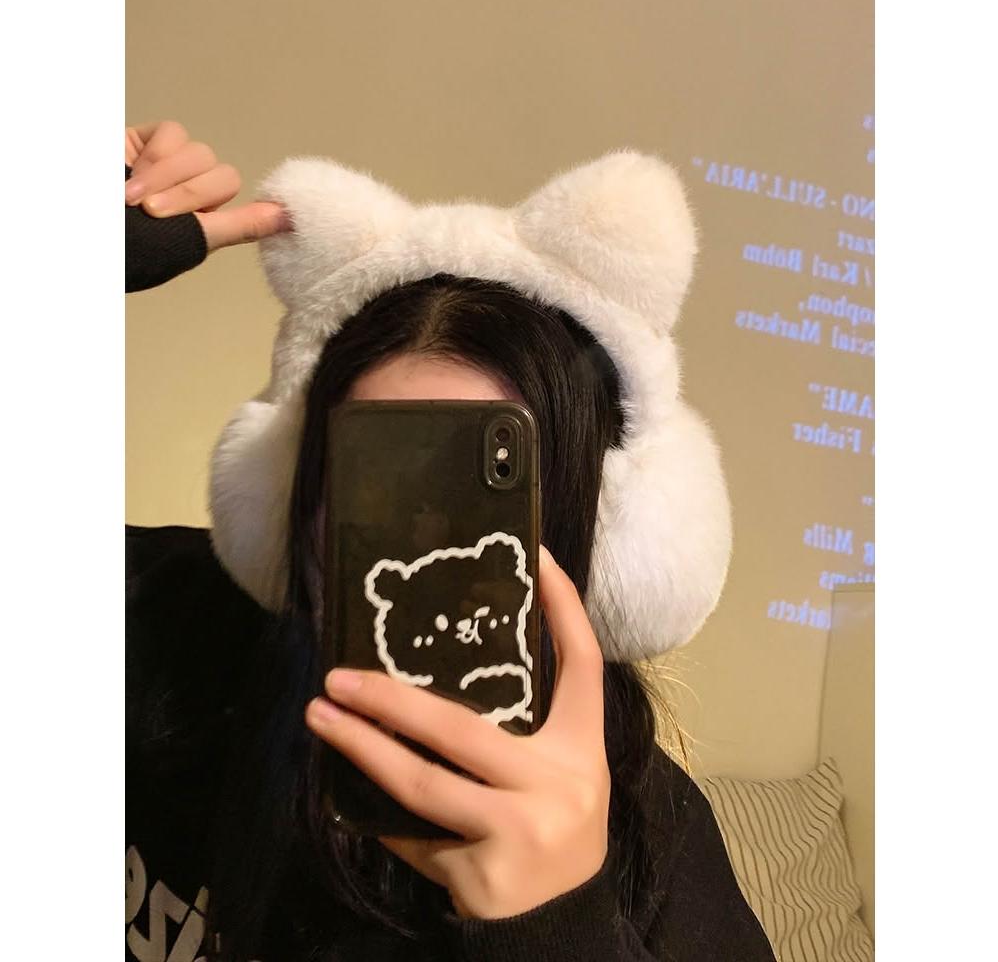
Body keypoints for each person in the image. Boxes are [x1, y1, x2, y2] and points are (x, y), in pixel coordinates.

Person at [125, 122, 776, 962]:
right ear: (299, 495)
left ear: (585, 533)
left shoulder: (653, 840)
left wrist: (561, 930)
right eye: (381, 482)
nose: (424, 549)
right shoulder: (165, 626)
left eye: (477, 502)